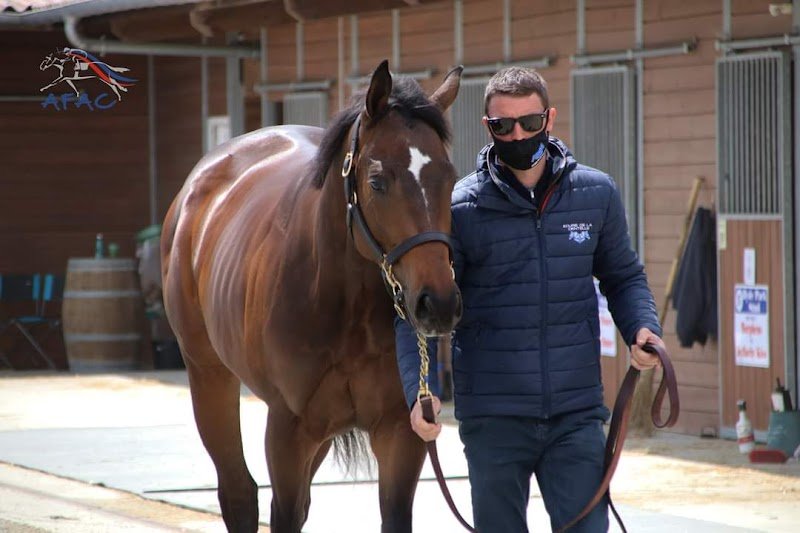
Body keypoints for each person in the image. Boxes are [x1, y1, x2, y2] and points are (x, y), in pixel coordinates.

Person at [394, 66, 665, 532]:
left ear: (550, 118)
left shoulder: (595, 194)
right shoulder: (460, 208)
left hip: (575, 415)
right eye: (503, 126)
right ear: (488, 129)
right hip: (494, 420)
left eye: (529, 122)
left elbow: (622, 276)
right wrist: (421, 390)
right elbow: (412, 309)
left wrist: (642, 328)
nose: (517, 134)